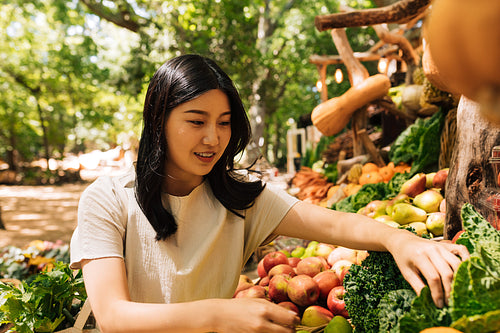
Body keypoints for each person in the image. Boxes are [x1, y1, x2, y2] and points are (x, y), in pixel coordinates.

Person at [70, 54, 469, 333]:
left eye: (224, 123)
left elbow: (329, 221)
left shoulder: (238, 199)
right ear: (158, 120)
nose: (213, 138)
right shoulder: (107, 199)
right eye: (196, 121)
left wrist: (399, 239)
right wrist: (220, 316)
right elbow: (113, 317)